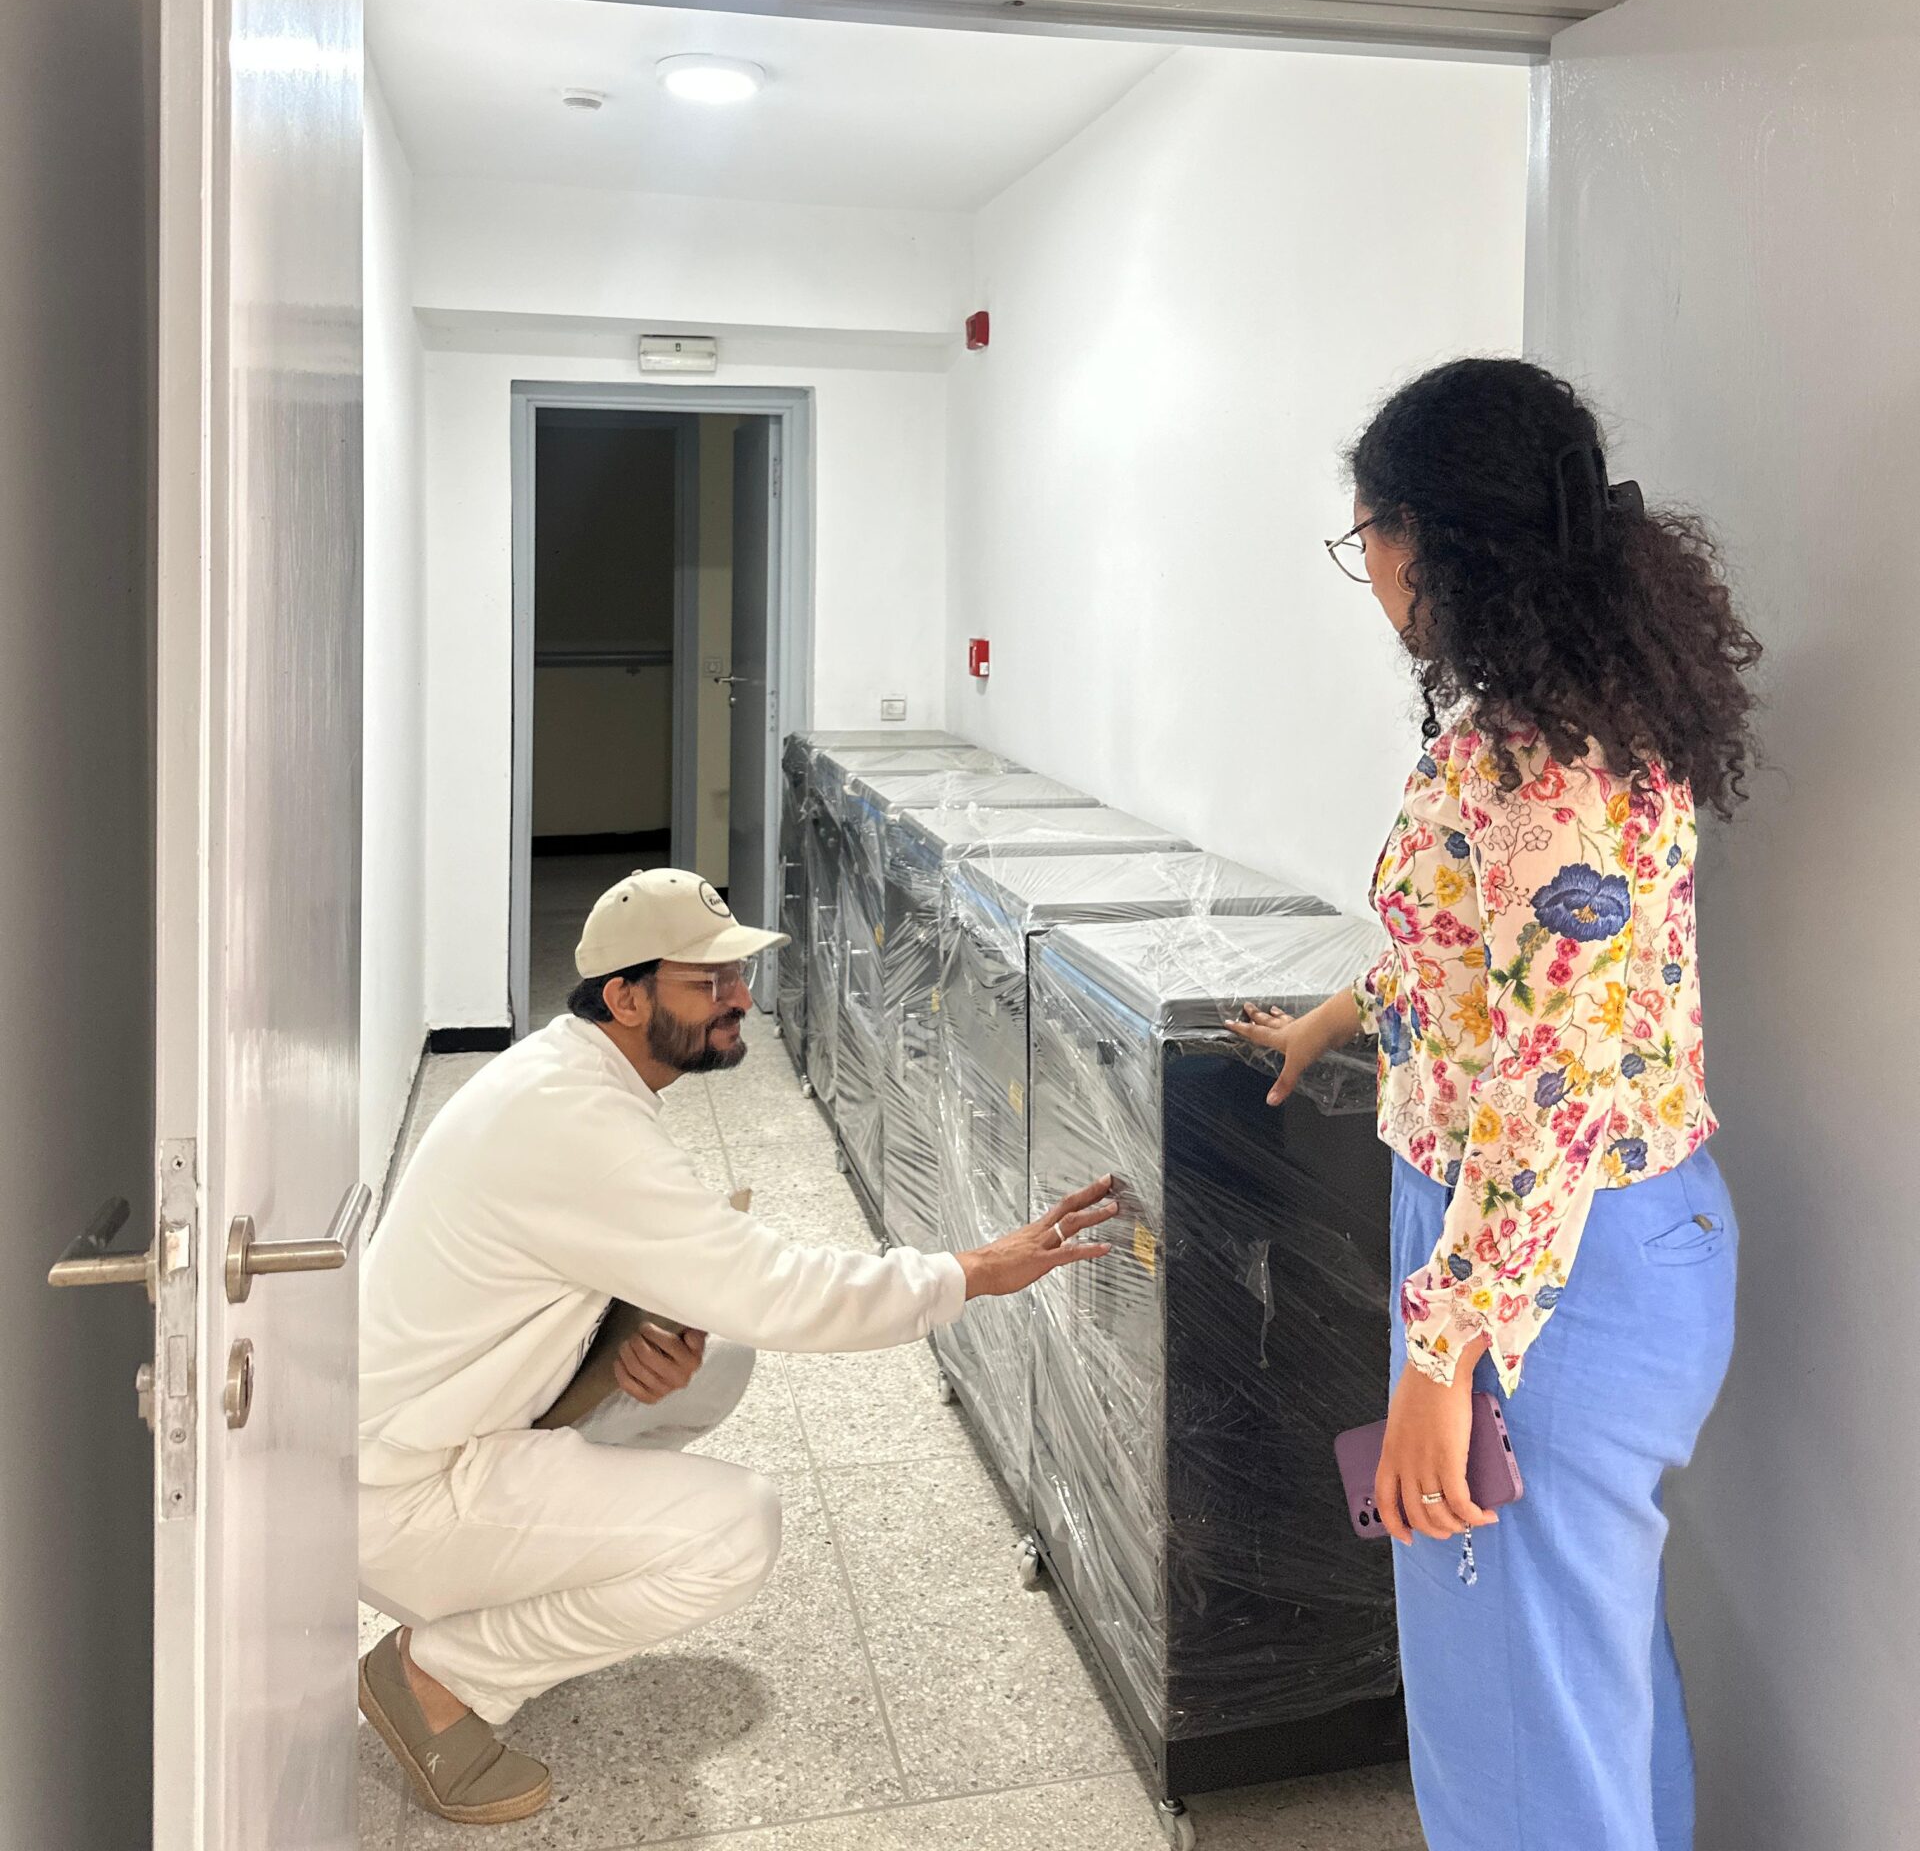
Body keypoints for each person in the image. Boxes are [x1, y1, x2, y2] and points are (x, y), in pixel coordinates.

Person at [1236, 356, 1759, 1851]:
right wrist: (1342, 1013)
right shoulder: (1592, 718)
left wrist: (1440, 1360)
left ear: (1430, 539)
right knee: (1585, 1687)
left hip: (1543, 1271)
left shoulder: (1532, 763)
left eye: (1366, 537)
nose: (1369, 575)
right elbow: (1501, 974)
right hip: (1607, 1245)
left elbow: (1549, 1094)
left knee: (1517, 1733)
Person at [358, 866, 1115, 1825]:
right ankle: (438, 1675)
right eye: (708, 982)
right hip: (400, 1497)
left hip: (435, 1429)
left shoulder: (562, 1074)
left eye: (737, 976)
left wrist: (624, 1339)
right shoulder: (575, 1123)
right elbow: (780, 1289)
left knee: (711, 1365)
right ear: (626, 999)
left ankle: (517, 1585)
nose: (741, 1000)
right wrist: (969, 1272)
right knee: (736, 1531)